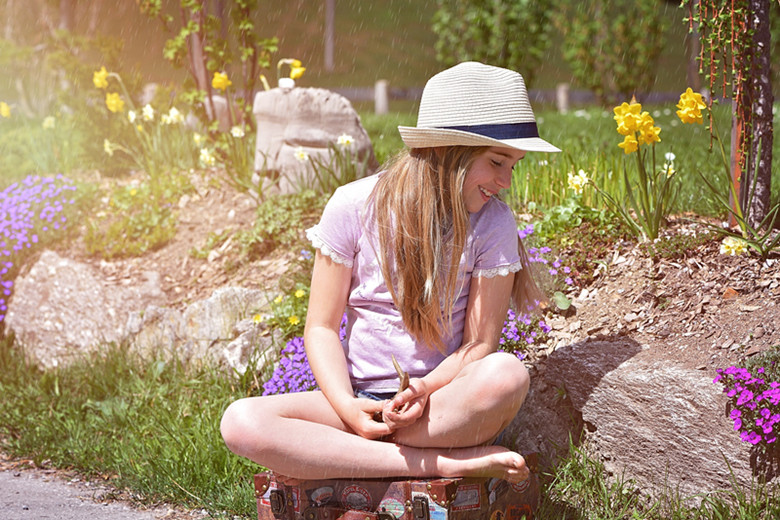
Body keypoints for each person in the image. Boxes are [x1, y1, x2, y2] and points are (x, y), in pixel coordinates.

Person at [220, 61, 560, 484]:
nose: (505, 180)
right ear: (448, 151)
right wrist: (347, 406)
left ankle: (348, 458)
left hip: (437, 407)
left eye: (514, 166)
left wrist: (423, 390)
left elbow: (478, 344)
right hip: (360, 405)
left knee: (507, 375)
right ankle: (442, 465)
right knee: (241, 420)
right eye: (497, 162)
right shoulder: (353, 205)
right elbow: (322, 327)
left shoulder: (493, 224)